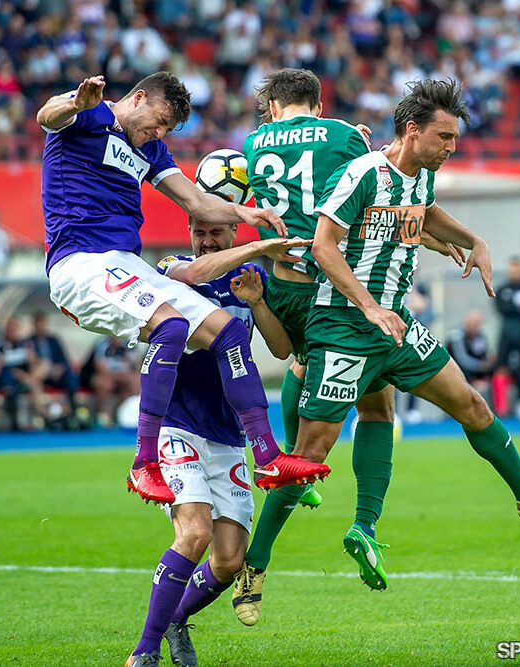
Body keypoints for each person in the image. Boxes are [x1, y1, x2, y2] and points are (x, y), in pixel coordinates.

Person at [289, 79, 520, 595]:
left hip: (395, 324)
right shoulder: (364, 172)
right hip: (343, 322)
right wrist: (367, 304)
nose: (452, 148)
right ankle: (251, 565)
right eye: (446, 137)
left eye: (456, 139)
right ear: (412, 131)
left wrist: (470, 239)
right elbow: (325, 244)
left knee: (469, 406)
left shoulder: (420, 177)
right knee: (307, 455)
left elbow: (422, 213)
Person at [232, 68, 465, 625]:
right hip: (336, 283)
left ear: (271, 106)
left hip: (282, 278)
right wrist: (436, 239)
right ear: (316, 101)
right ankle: (345, 515)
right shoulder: (343, 136)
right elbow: (375, 206)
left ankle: (290, 486)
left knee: (303, 368)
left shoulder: (250, 144)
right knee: (371, 405)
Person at [36, 71, 329, 506]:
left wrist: (245, 214)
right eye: (158, 122)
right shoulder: (89, 113)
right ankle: (144, 464)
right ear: (137, 99)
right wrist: (76, 103)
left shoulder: (149, 149)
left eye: (168, 129)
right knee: (170, 327)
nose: (159, 133)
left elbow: (195, 201)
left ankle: (268, 456)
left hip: (126, 265)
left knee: (228, 332)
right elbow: (47, 115)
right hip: (80, 263)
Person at [128, 216, 304, 667]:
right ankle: (144, 652)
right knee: (194, 533)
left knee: (228, 562)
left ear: (232, 233)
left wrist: (259, 302)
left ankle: (173, 618)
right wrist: (254, 252)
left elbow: (282, 350)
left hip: (228, 437)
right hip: (178, 425)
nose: (206, 241)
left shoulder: (250, 278)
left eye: (215, 233)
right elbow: (190, 278)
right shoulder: (171, 267)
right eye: (198, 231)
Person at [492, 256, 520, 418]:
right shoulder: (502, 289)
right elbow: (502, 309)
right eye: (512, 268)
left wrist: (514, 308)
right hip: (507, 331)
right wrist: (517, 309)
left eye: (518, 269)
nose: (515, 272)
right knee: (501, 367)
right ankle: (501, 408)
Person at [26, 311, 82, 426]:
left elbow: (64, 360)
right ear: (34, 325)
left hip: (56, 374)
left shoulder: (53, 340)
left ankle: (74, 409)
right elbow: (29, 364)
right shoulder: (29, 342)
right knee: (43, 367)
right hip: (39, 376)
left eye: (43, 323)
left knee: (69, 375)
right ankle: (45, 417)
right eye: (38, 323)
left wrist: (59, 369)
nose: (41, 326)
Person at [80, 336, 141, 427]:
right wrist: (120, 375)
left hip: (123, 376)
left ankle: (130, 415)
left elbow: (136, 366)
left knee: (136, 381)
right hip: (105, 376)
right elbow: (101, 369)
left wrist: (124, 376)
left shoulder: (130, 343)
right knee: (104, 384)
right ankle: (103, 417)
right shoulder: (102, 343)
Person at [446, 309, 495, 397]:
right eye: (474, 323)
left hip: (474, 371)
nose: (477, 327)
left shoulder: (480, 337)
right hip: (456, 372)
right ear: (466, 322)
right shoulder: (456, 337)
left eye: (479, 324)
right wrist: (481, 366)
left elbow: (482, 354)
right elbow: (462, 360)